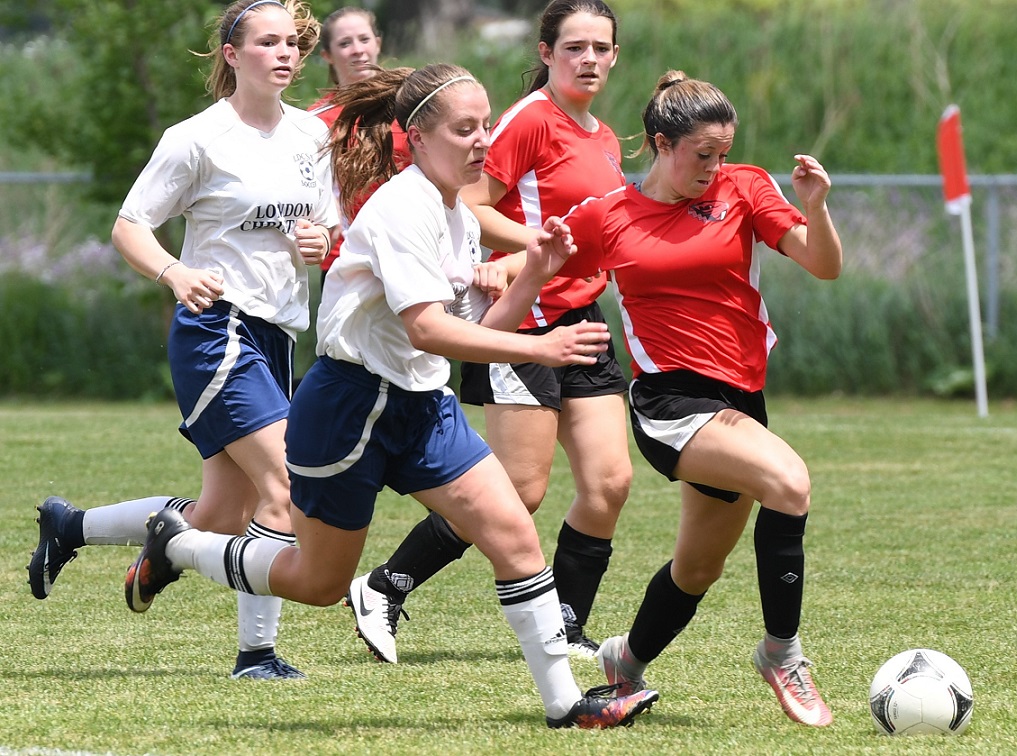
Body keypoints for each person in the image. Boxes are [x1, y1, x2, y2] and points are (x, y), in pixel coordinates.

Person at [121, 62, 659, 729]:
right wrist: (539, 348)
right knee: (317, 583)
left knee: (515, 534)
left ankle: (567, 705)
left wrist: (533, 279)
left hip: (423, 404)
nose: (483, 140)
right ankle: (181, 543)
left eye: (486, 125)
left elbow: (471, 331)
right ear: (419, 137)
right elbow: (428, 329)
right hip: (351, 407)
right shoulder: (401, 207)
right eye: (466, 128)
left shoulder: (457, 210)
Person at [27, 0, 336, 681]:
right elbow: (130, 225)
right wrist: (174, 270)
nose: (285, 54)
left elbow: (322, 229)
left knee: (222, 517)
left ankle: (71, 526)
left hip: (277, 333)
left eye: (292, 43)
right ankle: (257, 656)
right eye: (267, 43)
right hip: (215, 330)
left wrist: (320, 241)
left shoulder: (312, 135)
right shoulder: (198, 138)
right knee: (285, 483)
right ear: (232, 54)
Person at [555, 71, 843, 727]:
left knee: (698, 567)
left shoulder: (745, 187)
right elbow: (542, 262)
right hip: (669, 404)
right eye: (701, 155)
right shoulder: (610, 215)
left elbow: (823, 265)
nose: (714, 168)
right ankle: (782, 652)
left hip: (740, 398)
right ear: (661, 143)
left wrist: (818, 206)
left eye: (722, 152)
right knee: (789, 483)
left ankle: (623, 662)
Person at [347, 0, 631, 664]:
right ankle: (386, 585)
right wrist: (531, 250)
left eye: (601, 48)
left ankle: (567, 625)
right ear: (545, 53)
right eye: (574, 47)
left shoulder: (607, 136)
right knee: (520, 490)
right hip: (524, 320)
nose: (588, 59)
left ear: (615, 56)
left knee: (610, 483)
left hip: (582, 319)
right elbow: (471, 201)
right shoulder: (531, 120)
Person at [306, 6, 401, 280]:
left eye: (364, 39)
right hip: (345, 262)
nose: (358, 50)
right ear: (327, 55)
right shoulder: (314, 121)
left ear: (378, 43)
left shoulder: (410, 105)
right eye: (345, 43)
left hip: (409, 252)